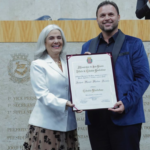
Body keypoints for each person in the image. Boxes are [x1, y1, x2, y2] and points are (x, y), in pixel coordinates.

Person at [81, 1, 150, 150]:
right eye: (102, 15)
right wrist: (80, 100)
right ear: (97, 19)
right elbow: (82, 81)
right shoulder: (87, 47)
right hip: (97, 121)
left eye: (111, 14)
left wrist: (126, 102)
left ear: (118, 17)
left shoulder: (134, 44)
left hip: (126, 118)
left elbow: (143, 78)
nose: (107, 18)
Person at [23, 24, 78, 150]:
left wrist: (87, 63)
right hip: (46, 126)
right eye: (51, 38)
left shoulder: (70, 63)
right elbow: (42, 95)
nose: (56, 41)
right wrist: (66, 103)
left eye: (59, 37)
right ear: (44, 42)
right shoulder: (38, 64)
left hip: (68, 125)